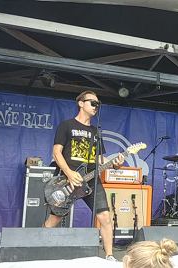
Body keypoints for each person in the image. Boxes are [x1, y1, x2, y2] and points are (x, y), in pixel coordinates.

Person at [43, 90, 125, 261]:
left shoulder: (96, 132)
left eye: (98, 104)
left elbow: (101, 159)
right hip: (67, 180)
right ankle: (38, 248)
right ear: (81, 103)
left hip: (91, 180)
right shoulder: (66, 125)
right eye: (93, 102)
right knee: (54, 218)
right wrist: (70, 173)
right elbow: (56, 153)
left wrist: (115, 163)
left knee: (104, 216)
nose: (96, 106)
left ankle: (109, 256)